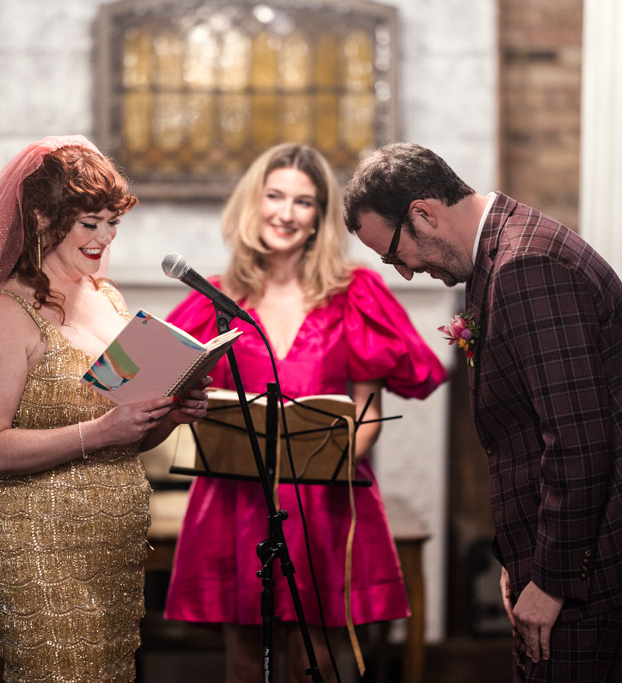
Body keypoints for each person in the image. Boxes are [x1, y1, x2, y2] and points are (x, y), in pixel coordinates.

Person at [343, 142, 622, 682]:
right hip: (583, 540)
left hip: (605, 548)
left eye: (393, 255)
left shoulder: (528, 265)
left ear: (423, 214)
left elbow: (579, 441)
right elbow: (528, 427)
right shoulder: (498, 252)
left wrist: (550, 580)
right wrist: (518, 557)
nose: (403, 273)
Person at [0, 135, 209, 682]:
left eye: (113, 222)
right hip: (39, 541)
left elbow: (127, 434)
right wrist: (102, 428)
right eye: (90, 223)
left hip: (114, 539)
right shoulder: (3, 313)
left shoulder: (107, 298)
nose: (105, 238)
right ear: (42, 216)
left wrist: (169, 414)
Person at [162, 143, 447, 681]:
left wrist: (317, 467)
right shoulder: (213, 298)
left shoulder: (354, 293)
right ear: (254, 203)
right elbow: (150, 385)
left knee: (311, 664)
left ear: (320, 217)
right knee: (245, 662)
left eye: (304, 201)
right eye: (274, 196)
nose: (286, 212)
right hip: (235, 499)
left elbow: (365, 413)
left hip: (322, 497)